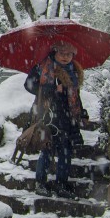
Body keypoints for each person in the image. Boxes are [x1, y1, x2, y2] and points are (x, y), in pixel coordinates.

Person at [27, 41, 87, 198]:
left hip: (68, 118)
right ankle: (41, 183)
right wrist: (52, 89)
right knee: (47, 150)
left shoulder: (74, 71)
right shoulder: (43, 67)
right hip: (48, 116)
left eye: (69, 54)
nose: (65, 57)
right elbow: (29, 85)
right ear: (55, 52)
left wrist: (82, 113)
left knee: (65, 152)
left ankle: (61, 184)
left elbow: (75, 96)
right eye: (62, 53)